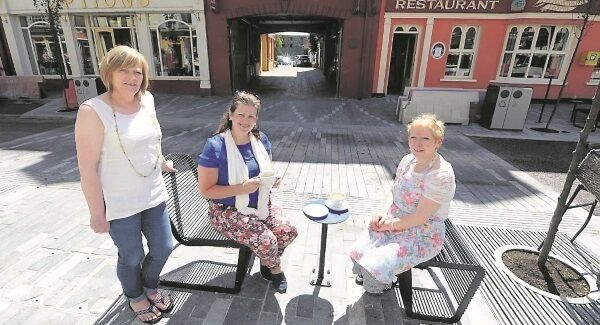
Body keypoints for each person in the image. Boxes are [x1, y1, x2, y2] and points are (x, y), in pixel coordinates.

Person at [75, 45, 175, 324]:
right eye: (124, 71)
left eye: (138, 71)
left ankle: (150, 286)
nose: (133, 78)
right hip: (119, 202)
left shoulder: (148, 100)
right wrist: (97, 212)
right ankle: (135, 295)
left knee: (164, 247)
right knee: (131, 256)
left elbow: (153, 138)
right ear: (109, 73)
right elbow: (87, 168)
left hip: (153, 192)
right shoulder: (92, 111)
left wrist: (162, 160)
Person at [197, 91, 298, 293]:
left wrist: (273, 180)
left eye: (251, 116)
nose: (246, 120)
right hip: (225, 210)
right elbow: (206, 191)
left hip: (260, 203)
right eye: (241, 115)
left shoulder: (261, 140)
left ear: (256, 119)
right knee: (266, 239)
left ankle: (266, 259)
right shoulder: (215, 146)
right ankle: (275, 269)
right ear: (231, 115)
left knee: (288, 231)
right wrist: (240, 189)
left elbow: (266, 172)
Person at [348, 113, 456, 294]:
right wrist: (382, 214)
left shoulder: (441, 175)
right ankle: (370, 277)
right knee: (359, 248)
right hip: (396, 219)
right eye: (413, 137)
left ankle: (379, 286)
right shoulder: (409, 160)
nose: (417, 144)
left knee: (378, 262)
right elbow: (393, 191)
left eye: (425, 138)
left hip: (422, 233)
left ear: (438, 142)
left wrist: (386, 225)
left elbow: (420, 218)